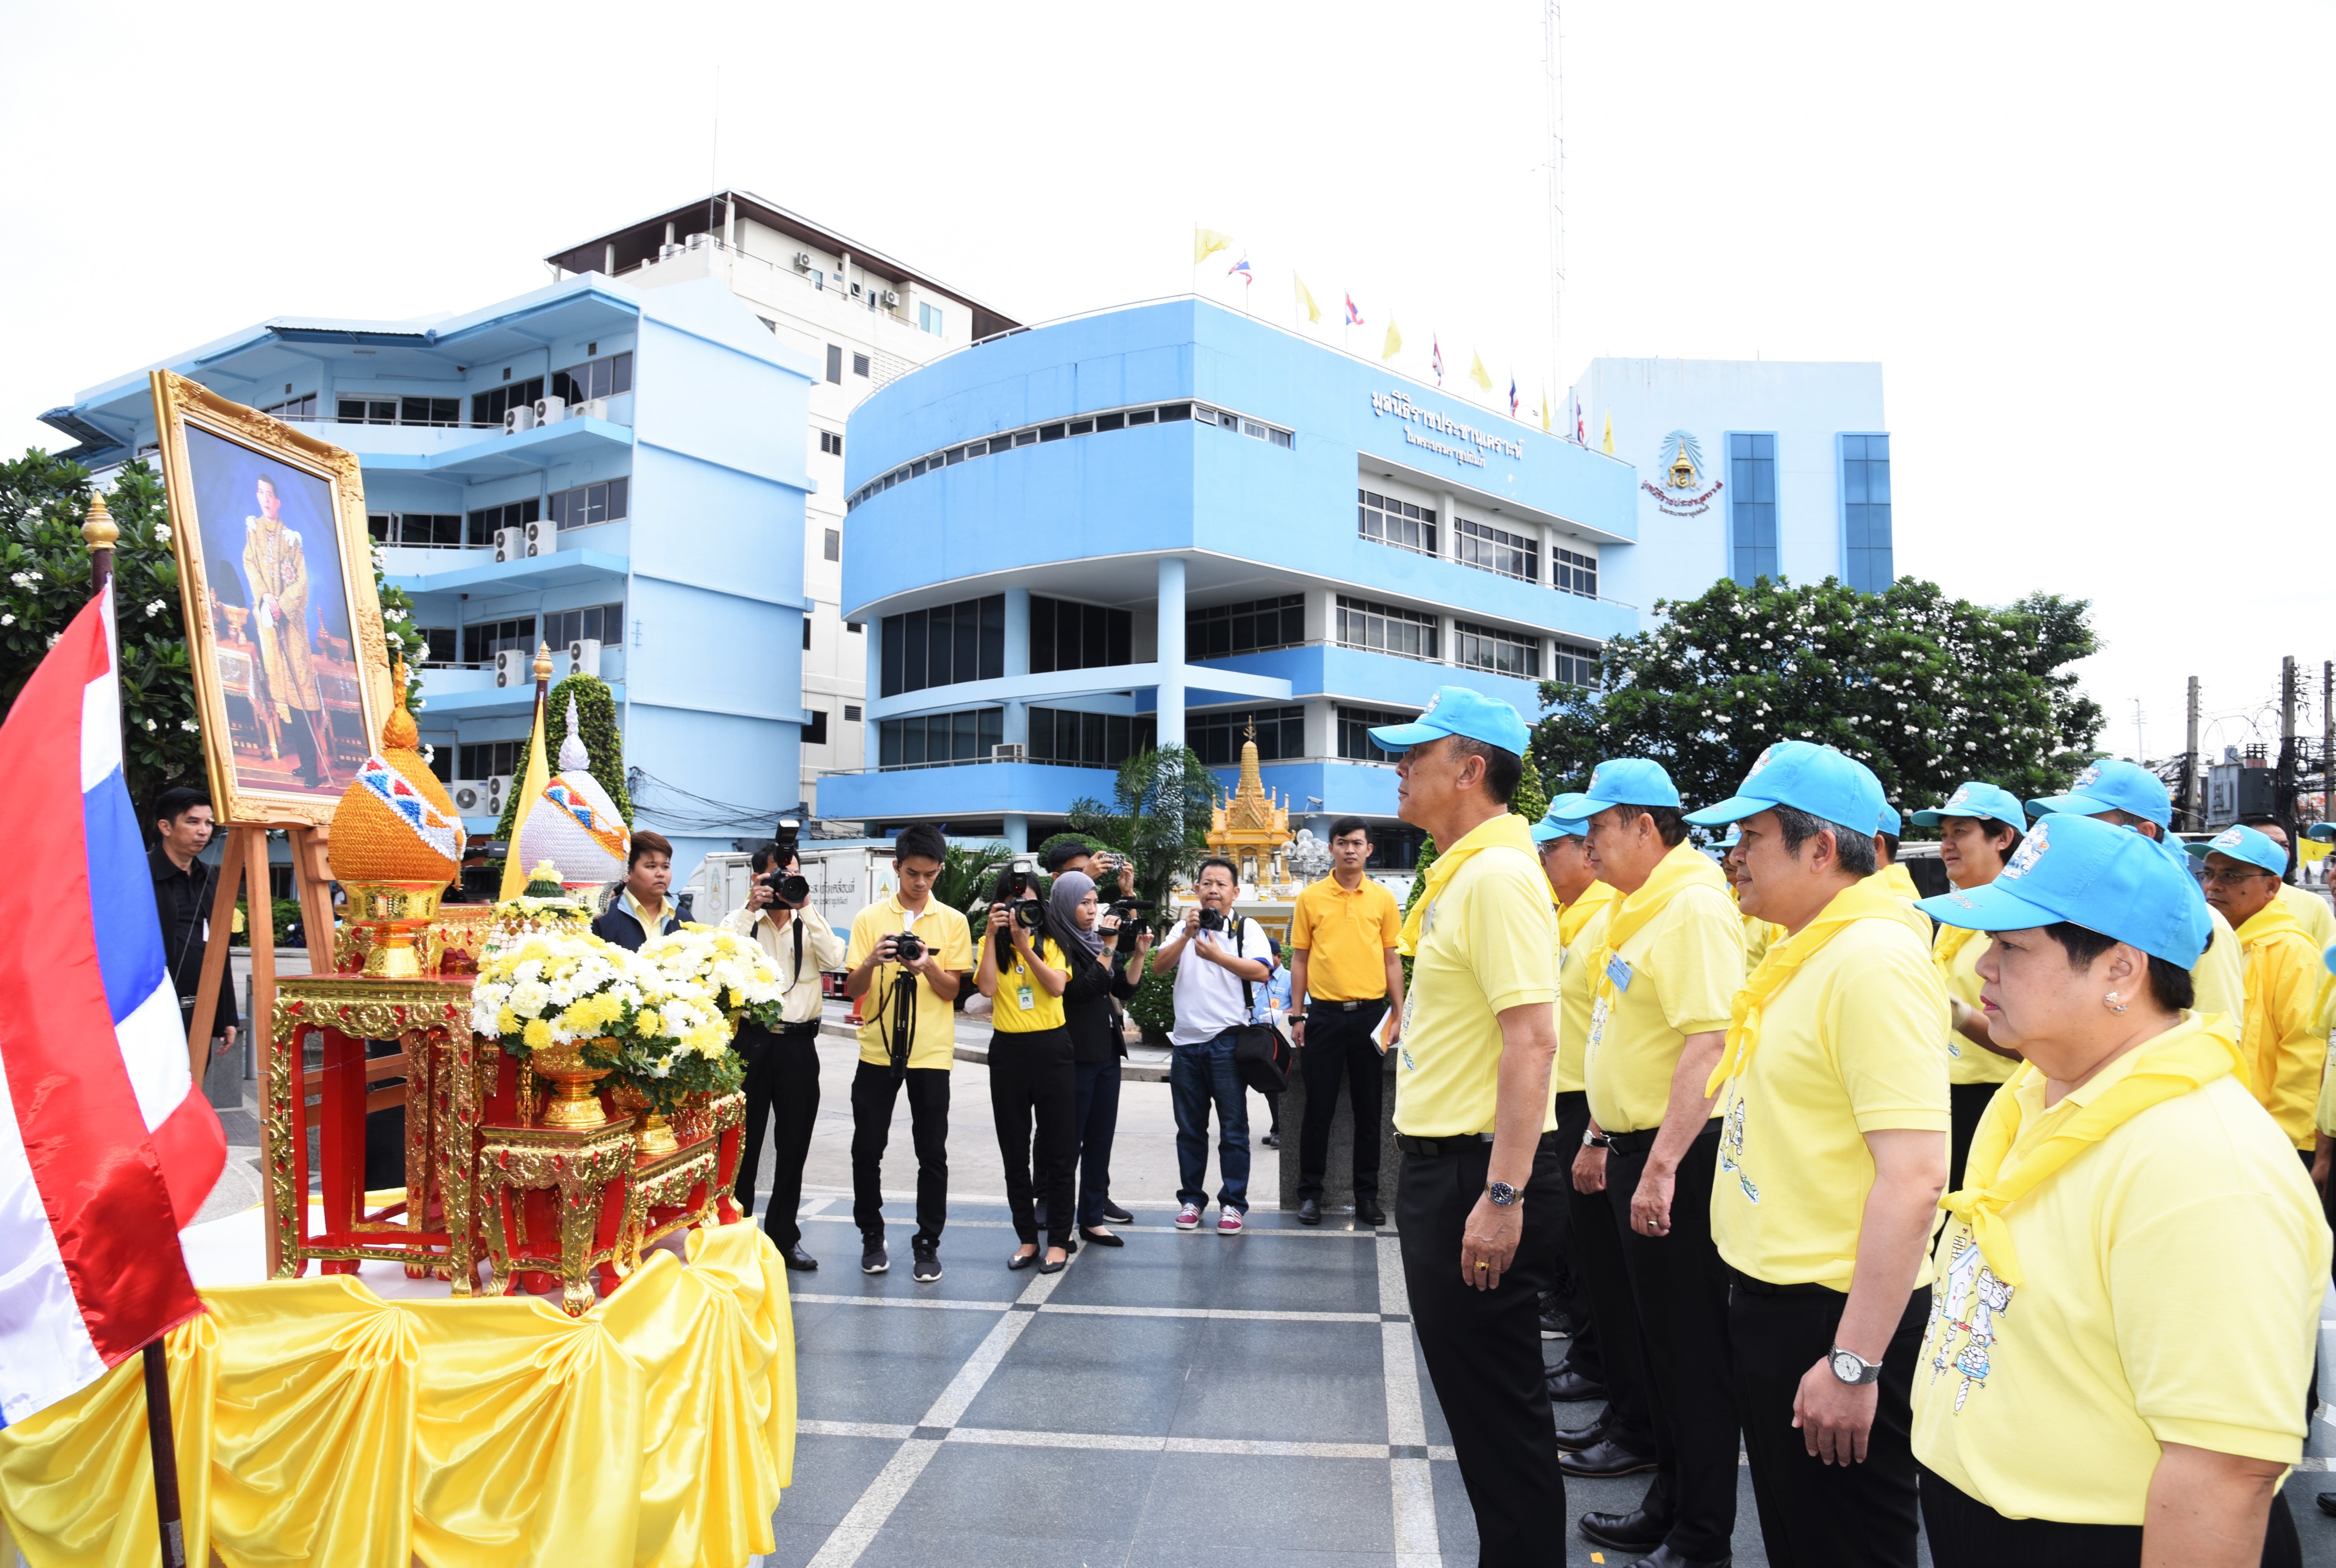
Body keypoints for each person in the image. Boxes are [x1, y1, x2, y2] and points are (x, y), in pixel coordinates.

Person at [1910, 812, 2322, 1566]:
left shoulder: (2202, 1166)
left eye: (2010, 947)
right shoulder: (2044, 1089)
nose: (1981, 970)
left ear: (2119, 972)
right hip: (1993, 1518)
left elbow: (2223, 1470)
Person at [1686, 740, 1950, 1568]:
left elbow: (1914, 1176)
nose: (1733, 857)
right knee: (1803, 1540)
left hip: (1831, 1312)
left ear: (1820, 849)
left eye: (1751, 836)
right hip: (1780, 1300)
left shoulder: (1871, 960)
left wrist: (1853, 1360)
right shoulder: (1814, 949)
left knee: (1846, 1544)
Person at [1369, 686, 1568, 1567]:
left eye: (1416, 754)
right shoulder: (1462, 873)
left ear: (1471, 770)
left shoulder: (1494, 878)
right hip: (1448, 1166)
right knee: (1485, 1414)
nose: (1399, 768)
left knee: (1500, 1418)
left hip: (1474, 1173)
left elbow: (1532, 1040)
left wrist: (1501, 1194)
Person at [1568, 759, 1745, 1567]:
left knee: (1689, 1353)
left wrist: (1664, 1162)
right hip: (1638, 1145)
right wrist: (1604, 1134)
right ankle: (1669, 1505)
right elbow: (1629, 1035)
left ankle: (1701, 1535)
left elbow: (1708, 1045)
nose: (1588, 844)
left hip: (1681, 1154)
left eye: (1601, 828)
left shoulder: (1694, 909)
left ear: (1647, 826)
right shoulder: (1643, 907)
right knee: (1657, 1346)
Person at [1533, 808, 1631, 1453]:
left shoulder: (1605, 913)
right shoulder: (1570, 912)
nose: (1544, 862)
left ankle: (1603, 1371)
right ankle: (1596, 1364)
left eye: (1554, 849)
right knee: (1587, 1254)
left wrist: (1595, 1130)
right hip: (1571, 1095)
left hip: (1593, 1106)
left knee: (1607, 1267)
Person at [2026, 759, 2244, 1032]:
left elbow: (2217, 1037)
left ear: (2144, 834)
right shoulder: (2079, 911)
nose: (2072, 838)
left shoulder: (2194, 923)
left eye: (2088, 826)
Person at [842, 824, 972, 1282]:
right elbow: (851, 989)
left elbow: (953, 989)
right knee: (867, 1148)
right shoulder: (869, 918)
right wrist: (873, 960)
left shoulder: (953, 921)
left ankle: (927, 1242)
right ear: (896, 867)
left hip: (931, 1053)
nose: (921, 883)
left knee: (931, 1151)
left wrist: (928, 964)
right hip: (877, 1050)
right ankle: (871, 1237)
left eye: (930, 874)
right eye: (913, 873)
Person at [721, 839, 845, 1271]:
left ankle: (784, 1236)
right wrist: (750, 908)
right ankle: (739, 1236)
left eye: (788, 875)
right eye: (774, 876)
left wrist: (805, 905)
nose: (781, 884)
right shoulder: (741, 922)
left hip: (797, 1045)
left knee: (793, 1144)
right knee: (743, 1146)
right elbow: (716, 960)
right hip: (750, 1042)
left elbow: (835, 959)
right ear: (756, 879)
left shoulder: (808, 923)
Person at [1908, 782, 2030, 1187]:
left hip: (1995, 1098)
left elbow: (2027, 1043)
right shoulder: (1956, 916)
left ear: (2003, 838)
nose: (1946, 844)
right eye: (1943, 835)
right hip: (1939, 1092)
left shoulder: (2023, 922)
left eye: (1960, 831)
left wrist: (1954, 1013)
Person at [1288, 816, 1405, 1227]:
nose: (1350, 849)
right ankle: (1310, 1195)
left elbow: (1392, 957)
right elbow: (1299, 958)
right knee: (1317, 1108)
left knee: (1369, 1110)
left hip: (1372, 1016)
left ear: (1369, 849)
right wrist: (1297, 1013)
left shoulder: (1384, 899)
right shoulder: (1311, 898)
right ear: (1331, 849)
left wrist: (1398, 1012)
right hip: (1323, 1017)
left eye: (1357, 842)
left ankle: (1367, 1196)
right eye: (1342, 842)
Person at [1150, 856, 1275, 1233]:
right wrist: (1188, 936)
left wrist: (1217, 955)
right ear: (1197, 890)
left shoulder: (1245, 928)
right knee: (1189, 1128)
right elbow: (1158, 966)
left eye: (1221, 884)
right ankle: (1191, 1200)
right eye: (1206, 883)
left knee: (1234, 1129)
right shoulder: (1182, 927)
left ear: (1235, 892)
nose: (1213, 890)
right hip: (1186, 1044)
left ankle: (1233, 1203)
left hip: (1226, 1042)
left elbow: (1262, 971)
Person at [2188, 824, 2324, 1157]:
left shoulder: (2292, 954)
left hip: (2268, 1143)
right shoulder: (2202, 942)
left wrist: (2279, 1139)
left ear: (2272, 887)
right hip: (2214, 1131)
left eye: (2231, 876)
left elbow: (2305, 1056)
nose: (2213, 886)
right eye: (2208, 873)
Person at [976, 864, 1077, 1271]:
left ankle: (1058, 1239)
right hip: (1008, 1052)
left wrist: (1025, 944)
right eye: (1013, 903)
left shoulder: (1053, 939)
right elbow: (985, 988)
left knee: (1059, 1150)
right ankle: (1026, 1238)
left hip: (1052, 1048)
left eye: (1029, 903)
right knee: (1014, 1150)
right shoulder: (993, 943)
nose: (1021, 910)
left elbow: (1056, 985)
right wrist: (991, 936)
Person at [1049, 870, 1147, 1247]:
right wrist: (1108, 947)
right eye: (1084, 903)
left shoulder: (1093, 941)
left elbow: (1123, 988)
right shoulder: (1059, 944)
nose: (1092, 911)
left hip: (1107, 1052)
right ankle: (1060, 1225)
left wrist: (1136, 954)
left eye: (1094, 903)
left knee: (1100, 1140)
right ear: (1064, 904)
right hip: (1074, 1055)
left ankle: (1091, 1219)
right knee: (1067, 1145)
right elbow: (1081, 991)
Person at [242, 474, 333, 787]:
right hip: (269, 627)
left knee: (301, 697)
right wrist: (266, 598)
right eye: (261, 492)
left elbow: (302, 582)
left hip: (291, 628)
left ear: (278, 502)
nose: (266, 498)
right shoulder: (253, 532)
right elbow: (251, 566)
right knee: (283, 695)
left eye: (271, 494)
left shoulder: (292, 539)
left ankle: (315, 770)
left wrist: (282, 604)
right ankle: (306, 765)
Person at [150, 787, 238, 1077]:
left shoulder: (209, 877)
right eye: (193, 822)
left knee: (193, 1084)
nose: (204, 831)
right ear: (165, 827)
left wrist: (226, 1015)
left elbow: (218, 947)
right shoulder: (139, 874)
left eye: (209, 823)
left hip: (199, 1006)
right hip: (150, 1010)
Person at [2240, 816, 2336, 952]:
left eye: (2284, 846)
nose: (2280, 852)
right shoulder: (2218, 905)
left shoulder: (2313, 905)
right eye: (2270, 845)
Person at [592, 831, 680, 950]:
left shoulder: (682, 918)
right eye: (651, 866)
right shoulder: (602, 919)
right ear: (628, 873)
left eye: (665, 867)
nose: (661, 874)